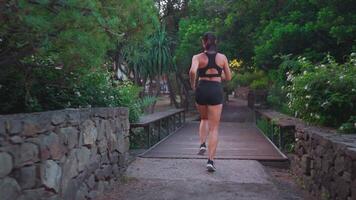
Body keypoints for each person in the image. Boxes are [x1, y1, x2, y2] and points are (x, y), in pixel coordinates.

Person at [189, 32, 231, 172]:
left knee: (204, 119)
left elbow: (192, 72)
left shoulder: (197, 57)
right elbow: (228, 77)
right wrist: (218, 75)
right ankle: (210, 160)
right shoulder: (222, 58)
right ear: (216, 42)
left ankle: (202, 144)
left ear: (203, 43)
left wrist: (193, 85)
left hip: (202, 89)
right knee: (214, 128)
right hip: (215, 90)